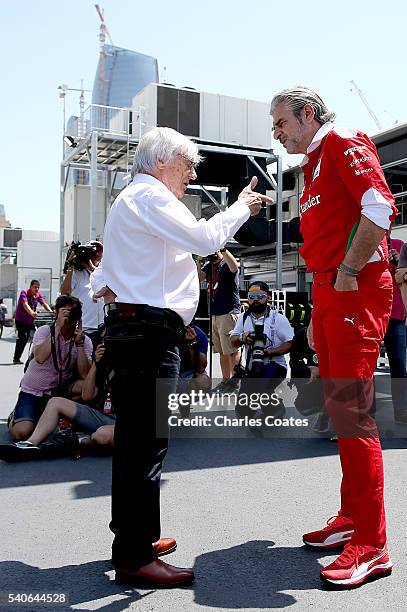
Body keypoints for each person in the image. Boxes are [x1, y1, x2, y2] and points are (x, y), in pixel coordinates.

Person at [90, 126, 271, 587]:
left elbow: (103, 278)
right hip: (150, 333)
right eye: (187, 165)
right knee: (145, 445)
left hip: (141, 329)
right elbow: (205, 238)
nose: (191, 175)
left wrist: (120, 289)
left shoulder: (133, 199)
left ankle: (136, 540)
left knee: (138, 444)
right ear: (160, 161)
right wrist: (241, 207)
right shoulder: (150, 197)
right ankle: (133, 556)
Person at [271, 86, 397, 588]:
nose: (275, 133)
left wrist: (346, 269)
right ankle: (351, 519)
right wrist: (319, 304)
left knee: (352, 410)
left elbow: (380, 207)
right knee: (339, 409)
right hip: (330, 292)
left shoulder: (343, 139)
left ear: (307, 114)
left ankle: (373, 543)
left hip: (354, 288)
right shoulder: (314, 161)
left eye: (280, 122)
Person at [8, 295, 93, 442]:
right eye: (64, 311)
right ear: (56, 313)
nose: (68, 316)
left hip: (59, 390)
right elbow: (40, 357)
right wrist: (57, 329)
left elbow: (86, 374)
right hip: (33, 391)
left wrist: (79, 344)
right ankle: (14, 416)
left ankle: (49, 414)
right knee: (21, 433)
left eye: (73, 312)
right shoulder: (44, 331)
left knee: (88, 387)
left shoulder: (84, 340)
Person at [9, 340, 115, 455]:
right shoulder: (105, 363)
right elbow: (87, 395)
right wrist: (96, 364)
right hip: (101, 415)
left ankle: (77, 442)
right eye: (105, 341)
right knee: (55, 402)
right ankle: (30, 444)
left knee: (102, 436)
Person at [230, 281, 293, 418]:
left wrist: (270, 351)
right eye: (252, 296)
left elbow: (289, 343)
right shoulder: (244, 318)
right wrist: (243, 338)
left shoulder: (279, 319)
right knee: (243, 412)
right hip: (253, 366)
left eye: (260, 295)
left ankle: (276, 407)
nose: (256, 299)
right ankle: (262, 403)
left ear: (268, 298)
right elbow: (233, 341)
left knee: (261, 386)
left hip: (274, 364)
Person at [200, 249, 241, 388]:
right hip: (215, 312)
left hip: (228, 311)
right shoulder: (209, 266)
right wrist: (198, 259)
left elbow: (234, 266)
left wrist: (223, 249)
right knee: (222, 351)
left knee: (232, 349)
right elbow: (197, 277)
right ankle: (225, 381)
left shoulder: (225, 263)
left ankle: (235, 382)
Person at [382, 231, 407, 424]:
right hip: (371, 315)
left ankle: (402, 411)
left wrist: (398, 262)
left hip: (396, 315)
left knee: (399, 365)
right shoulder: (366, 244)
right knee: (363, 367)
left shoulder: (399, 245)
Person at [60, 241, 104, 346]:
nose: (97, 254)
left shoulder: (103, 273)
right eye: (94, 251)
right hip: (85, 327)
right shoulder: (77, 273)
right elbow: (65, 291)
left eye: (99, 251)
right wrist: (70, 266)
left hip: (102, 327)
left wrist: (90, 266)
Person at [13, 280, 53, 364]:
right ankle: (16, 358)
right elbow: (25, 304)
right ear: (30, 286)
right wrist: (32, 313)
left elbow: (44, 304)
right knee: (23, 337)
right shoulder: (24, 293)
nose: (37, 289)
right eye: (35, 287)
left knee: (29, 337)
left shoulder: (38, 295)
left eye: (38, 287)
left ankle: (27, 357)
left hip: (29, 321)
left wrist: (51, 312)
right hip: (20, 319)